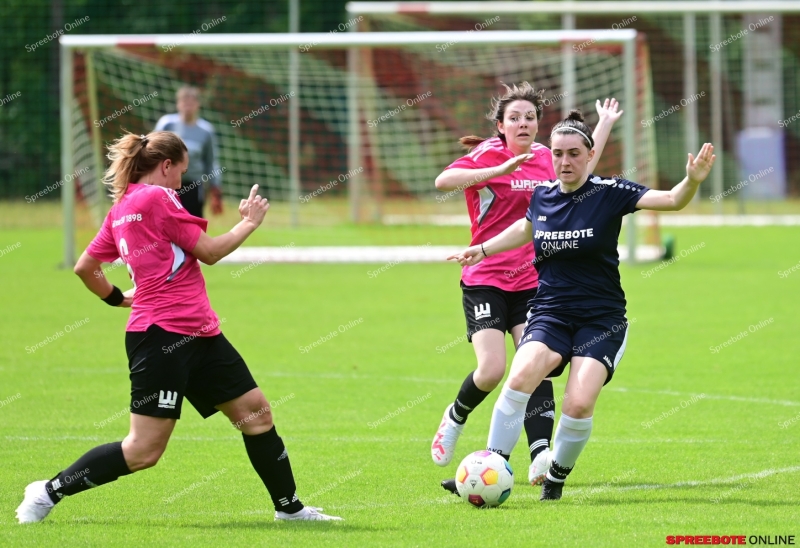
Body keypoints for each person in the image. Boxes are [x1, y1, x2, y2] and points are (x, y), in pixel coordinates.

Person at [15, 131, 341, 523]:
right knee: (143, 452)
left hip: (200, 332)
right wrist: (249, 223)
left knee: (256, 415)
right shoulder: (158, 197)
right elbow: (211, 253)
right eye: (181, 173)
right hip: (162, 337)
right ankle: (47, 492)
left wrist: (118, 298)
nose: (181, 182)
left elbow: (85, 267)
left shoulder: (120, 209)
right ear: (165, 166)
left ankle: (290, 509)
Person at [448, 110, 715, 500]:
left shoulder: (610, 192)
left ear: (590, 155)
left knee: (577, 402)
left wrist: (692, 180)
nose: (564, 162)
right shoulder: (543, 195)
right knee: (520, 377)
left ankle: (555, 477)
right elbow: (525, 228)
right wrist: (482, 249)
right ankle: (491, 466)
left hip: (601, 320)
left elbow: (673, 200)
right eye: (557, 154)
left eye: (574, 153)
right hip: (550, 313)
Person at [430, 82, 622, 489]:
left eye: (530, 117)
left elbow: (585, 163)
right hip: (484, 278)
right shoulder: (488, 154)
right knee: (492, 369)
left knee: (534, 366)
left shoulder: (545, 158)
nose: (523, 123)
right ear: (500, 125)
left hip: (534, 281)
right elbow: (444, 181)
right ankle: (456, 417)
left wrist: (604, 123)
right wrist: (497, 171)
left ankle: (537, 457)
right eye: (514, 118)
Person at [155, 86, 223, 218]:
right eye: (185, 102)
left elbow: (210, 161)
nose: (188, 106)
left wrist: (216, 189)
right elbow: (151, 153)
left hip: (193, 186)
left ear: (198, 105)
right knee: (165, 223)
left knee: (192, 224)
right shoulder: (166, 124)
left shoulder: (206, 131)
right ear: (178, 104)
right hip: (167, 184)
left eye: (191, 102)